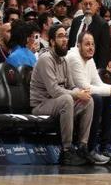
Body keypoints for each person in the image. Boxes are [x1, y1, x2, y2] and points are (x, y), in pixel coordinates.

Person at [30, 25, 94, 166]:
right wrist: (76, 94)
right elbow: (54, 90)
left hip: (58, 102)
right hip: (41, 104)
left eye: (65, 36)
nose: (65, 39)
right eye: (60, 36)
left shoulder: (64, 60)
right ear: (52, 42)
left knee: (88, 101)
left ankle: (82, 147)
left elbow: (71, 86)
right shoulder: (45, 59)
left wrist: (81, 92)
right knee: (67, 99)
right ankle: (66, 151)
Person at [66, 31, 111, 164]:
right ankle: (90, 149)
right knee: (96, 98)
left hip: (83, 98)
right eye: (87, 44)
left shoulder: (89, 59)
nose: (91, 48)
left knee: (108, 98)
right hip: (70, 99)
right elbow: (85, 87)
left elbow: (98, 83)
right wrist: (109, 90)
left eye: (92, 44)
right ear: (78, 45)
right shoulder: (73, 58)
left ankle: (103, 148)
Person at [68, 0, 111, 70]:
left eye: (90, 4)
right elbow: (70, 45)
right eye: (85, 4)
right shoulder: (76, 21)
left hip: (90, 70)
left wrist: (98, 73)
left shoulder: (102, 25)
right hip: (72, 67)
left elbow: (103, 55)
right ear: (81, 5)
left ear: (96, 5)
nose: (88, 7)